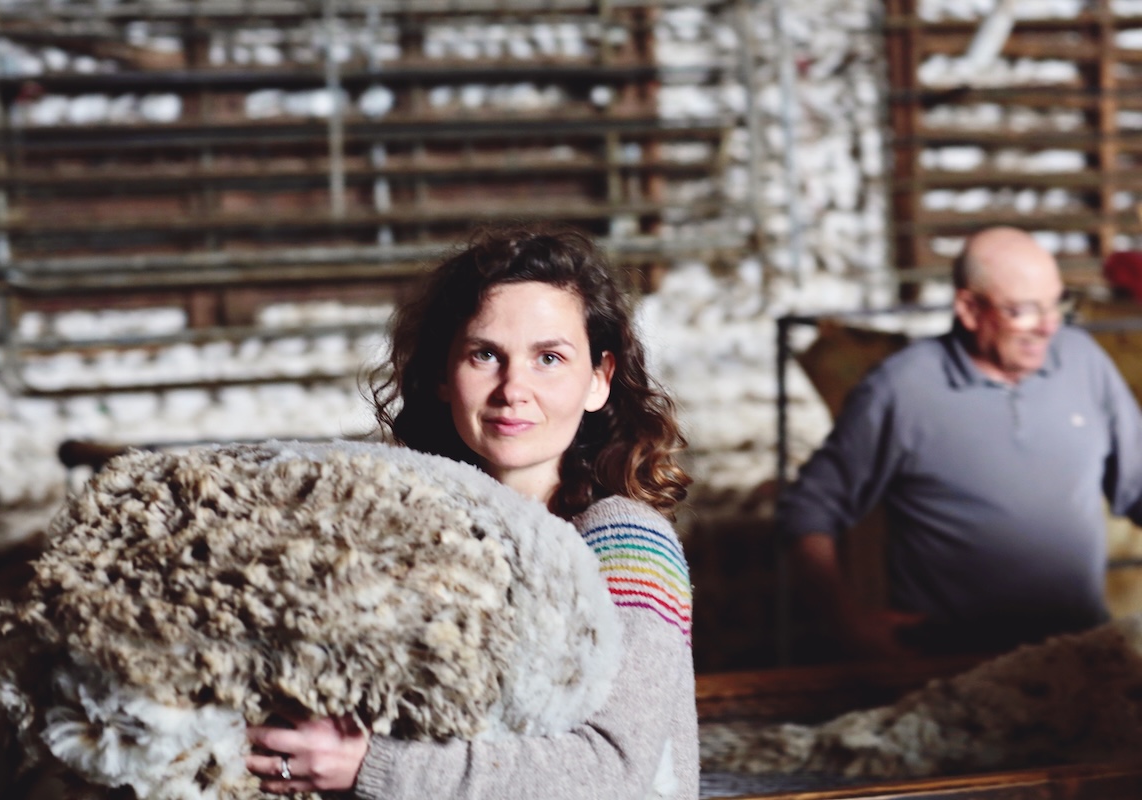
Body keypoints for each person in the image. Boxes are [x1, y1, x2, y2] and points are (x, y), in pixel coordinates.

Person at [245, 225, 697, 798]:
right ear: (441, 374)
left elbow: (613, 771)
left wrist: (371, 767)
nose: (513, 388)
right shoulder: (418, 536)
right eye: (486, 354)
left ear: (598, 381)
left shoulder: (625, 539)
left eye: (550, 358)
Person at [778, 226, 1142, 660]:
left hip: (1077, 652)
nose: (1048, 327)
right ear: (969, 308)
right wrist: (850, 625)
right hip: (953, 664)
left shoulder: (1083, 361)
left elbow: (1137, 484)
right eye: (1024, 310)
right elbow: (806, 510)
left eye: (1057, 304)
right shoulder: (902, 389)